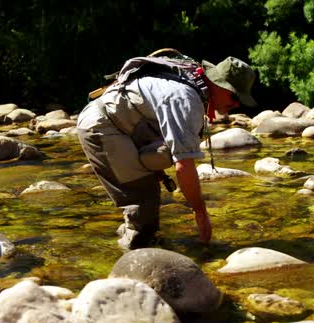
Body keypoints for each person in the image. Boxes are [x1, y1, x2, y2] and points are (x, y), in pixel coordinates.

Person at [77, 56, 257, 250]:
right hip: (101, 125)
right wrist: (200, 212)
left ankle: (134, 240)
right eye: (235, 96)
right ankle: (131, 262)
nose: (237, 104)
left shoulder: (191, 85)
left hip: (123, 125)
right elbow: (184, 165)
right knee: (142, 204)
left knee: (148, 199)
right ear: (218, 84)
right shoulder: (186, 99)